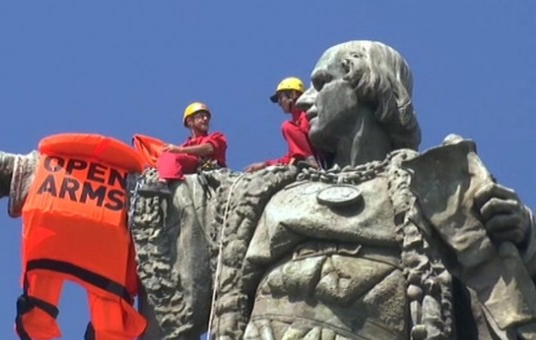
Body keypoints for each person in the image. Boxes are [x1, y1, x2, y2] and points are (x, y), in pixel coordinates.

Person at [210, 41, 536, 339]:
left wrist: (522, 238)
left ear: (366, 86)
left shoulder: (437, 185)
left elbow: (504, 289)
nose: (306, 100)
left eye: (322, 83)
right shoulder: (263, 193)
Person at [137, 102, 227, 197]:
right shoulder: (185, 145)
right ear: (190, 121)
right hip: (192, 167)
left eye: (207, 117)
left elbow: (209, 148)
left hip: (207, 169)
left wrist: (179, 150)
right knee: (166, 155)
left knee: (170, 155)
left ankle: (162, 184)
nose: (205, 119)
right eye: (201, 116)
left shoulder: (216, 136)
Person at [244, 77, 326, 173]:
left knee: (286, 126)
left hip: (322, 156)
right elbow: (292, 155)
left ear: (293, 94)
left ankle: (311, 162)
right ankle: (309, 161)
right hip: (314, 157)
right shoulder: (296, 123)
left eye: (280, 97)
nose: (279, 103)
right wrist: (265, 165)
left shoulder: (307, 113)